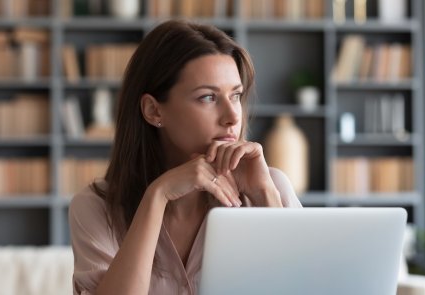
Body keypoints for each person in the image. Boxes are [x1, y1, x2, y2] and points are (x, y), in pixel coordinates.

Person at [69, 19, 302, 295]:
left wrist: (264, 195)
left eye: (236, 96)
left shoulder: (270, 186)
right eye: (208, 98)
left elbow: (306, 287)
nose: (232, 117)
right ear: (154, 111)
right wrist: (157, 195)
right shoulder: (96, 208)